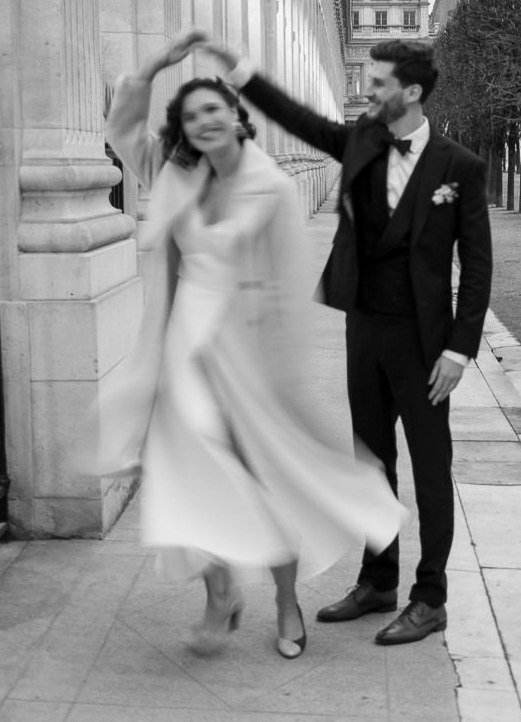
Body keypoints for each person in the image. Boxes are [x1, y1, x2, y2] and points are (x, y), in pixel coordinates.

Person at [97, 29, 404, 660]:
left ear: (239, 118)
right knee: (179, 478)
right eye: (190, 116)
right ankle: (219, 592)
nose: (204, 122)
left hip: (246, 359)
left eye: (214, 110)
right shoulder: (177, 172)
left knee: (265, 480)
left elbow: (287, 294)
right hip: (181, 351)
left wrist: (286, 383)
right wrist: (158, 63)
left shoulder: (272, 188)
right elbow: (123, 128)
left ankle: (286, 602)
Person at [199, 36, 492, 646]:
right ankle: (378, 580)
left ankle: (429, 597)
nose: (371, 88)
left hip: (425, 344)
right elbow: (297, 119)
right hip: (366, 328)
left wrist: (458, 351)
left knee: (432, 471)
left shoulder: (458, 167)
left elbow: (479, 266)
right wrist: (238, 71)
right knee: (371, 464)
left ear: (411, 93)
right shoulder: (362, 139)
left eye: (381, 82)